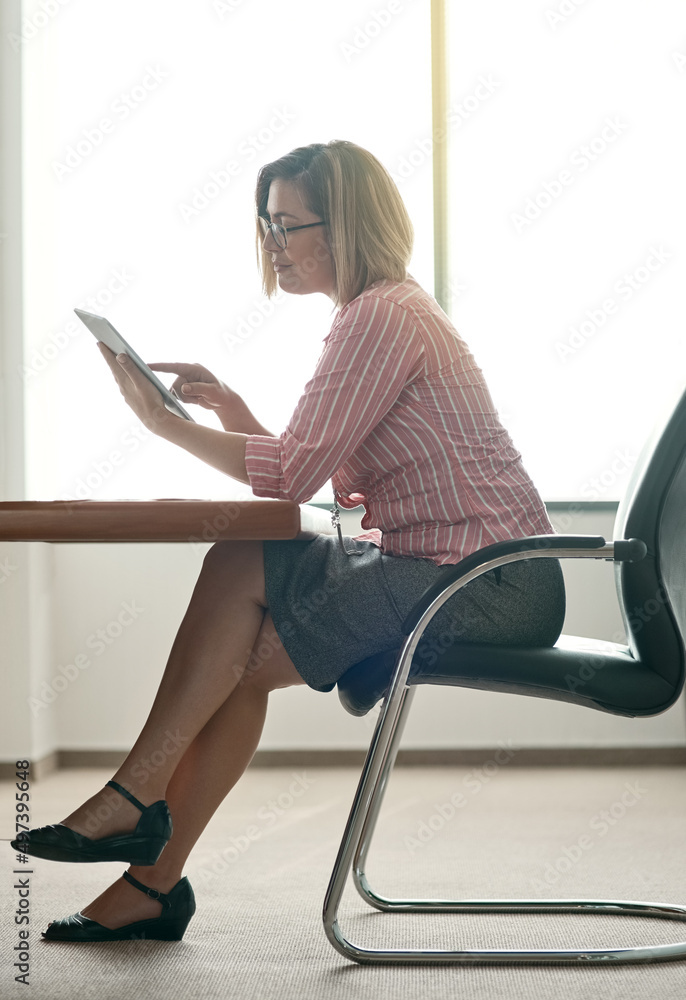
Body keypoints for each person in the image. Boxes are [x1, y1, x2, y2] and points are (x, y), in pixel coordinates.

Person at [12, 140, 566, 941]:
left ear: (343, 227)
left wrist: (165, 425)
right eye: (266, 226)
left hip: (489, 581)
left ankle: (134, 807)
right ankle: (150, 877)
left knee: (237, 571)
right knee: (230, 657)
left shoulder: (380, 316)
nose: (273, 245)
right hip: (464, 570)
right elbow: (321, 479)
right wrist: (234, 413)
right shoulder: (378, 312)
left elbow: (293, 479)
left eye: (287, 226)